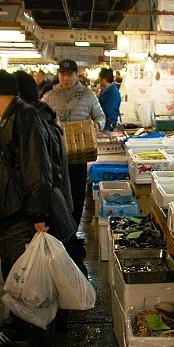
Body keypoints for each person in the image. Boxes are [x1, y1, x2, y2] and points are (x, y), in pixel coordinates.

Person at [0, 69, 84, 347]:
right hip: (10, 217)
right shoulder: (13, 117)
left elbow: (36, 170)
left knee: (33, 285)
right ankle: (17, 332)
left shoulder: (24, 119)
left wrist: (38, 215)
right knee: (16, 281)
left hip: (23, 217)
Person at [14, 69, 86, 334]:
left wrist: (38, 212)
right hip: (55, 199)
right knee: (54, 263)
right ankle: (56, 323)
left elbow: (40, 173)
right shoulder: (45, 114)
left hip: (48, 203)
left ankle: (48, 332)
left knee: (49, 267)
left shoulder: (34, 121)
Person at [41, 59, 105, 228]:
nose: (65, 78)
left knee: (77, 192)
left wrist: (96, 127)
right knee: (57, 192)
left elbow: (100, 117)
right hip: (55, 155)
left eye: (69, 74)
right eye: (62, 74)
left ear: (77, 75)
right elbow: (39, 119)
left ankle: (74, 227)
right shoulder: (49, 96)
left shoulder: (88, 96)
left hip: (79, 154)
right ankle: (60, 228)